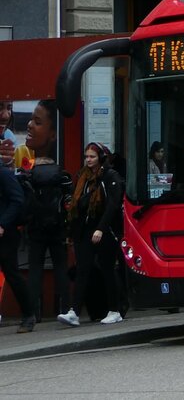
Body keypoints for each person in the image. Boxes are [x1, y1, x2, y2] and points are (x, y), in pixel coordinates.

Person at [57, 143, 125, 327]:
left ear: (101, 158)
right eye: (86, 156)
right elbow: (76, 205)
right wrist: (71, 231)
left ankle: (114, 310)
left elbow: (112, 205)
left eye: (92, 157)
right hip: (84, 230)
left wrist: (101, 228)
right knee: (82, 270)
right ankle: (75, 312)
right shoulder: (82, 177)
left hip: (104, 229)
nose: (88, 160)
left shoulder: (110, 176)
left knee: (107, 270)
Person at [23, 99, 71, 323]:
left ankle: (34, 312)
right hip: (57, 227)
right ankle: (64, 307)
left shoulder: (30, 174)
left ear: (53, 134)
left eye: (37, 121)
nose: (30, 125)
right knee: (61, 267)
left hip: (36, 228)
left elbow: (26, 201)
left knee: (34, 270)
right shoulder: (59, 173)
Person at [0, 162, 37, 332]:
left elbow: (17, 200)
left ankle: (29, 315)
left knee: (12, 273)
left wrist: (3, 223)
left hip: (5, 234)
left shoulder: (4, 174)